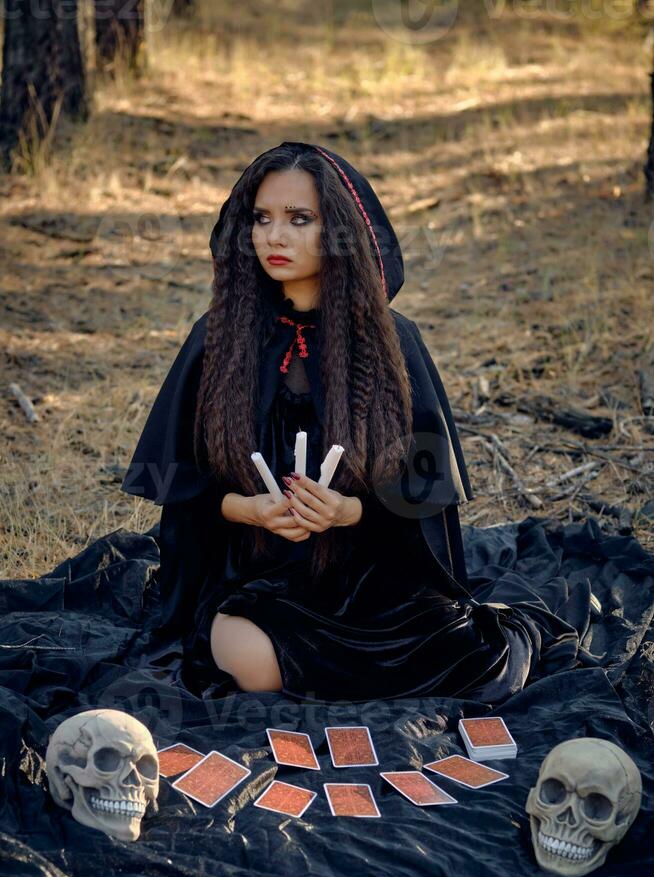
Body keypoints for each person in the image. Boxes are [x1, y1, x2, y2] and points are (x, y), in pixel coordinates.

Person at [121, 141, 579, 704]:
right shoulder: (217, 339)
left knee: (468, 656)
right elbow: (182, 487)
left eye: (300, 219)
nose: (275, 237)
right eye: (261, 219)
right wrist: (248, 510)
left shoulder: (393, 342)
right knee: (257, 666)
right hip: (258, 578)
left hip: (372, 578)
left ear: (338, 230)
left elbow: (425, 499)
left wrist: (349, 511)